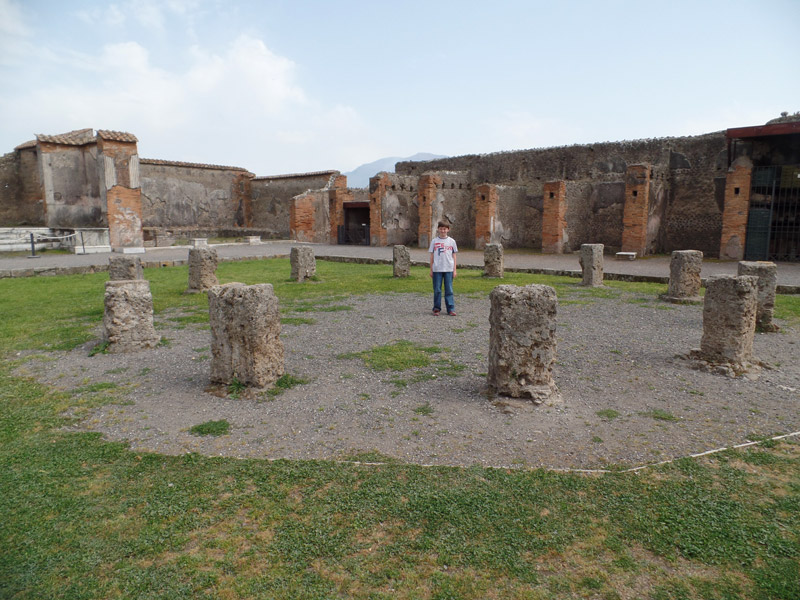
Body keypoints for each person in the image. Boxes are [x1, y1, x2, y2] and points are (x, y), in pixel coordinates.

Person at [428, 221, 458, 316]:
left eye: (444, 229)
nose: (443, 230)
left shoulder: (452, 241)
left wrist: (454, 269)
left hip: (448, 268)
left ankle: (451, 309)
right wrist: (431, 269)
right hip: (437, 268)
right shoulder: (434, 241)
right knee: (437, 289)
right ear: (438, 229)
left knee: (449, 289)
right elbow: (432, 256)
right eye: (441, 229)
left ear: (448, 230)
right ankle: (436, 308)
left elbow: (454, 255)